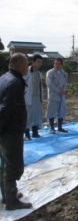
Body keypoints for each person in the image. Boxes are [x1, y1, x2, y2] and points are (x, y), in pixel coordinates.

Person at [0, 53, 32, 210]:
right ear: (19, 65)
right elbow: (5, 109)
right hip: (10, 131)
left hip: (6, 130)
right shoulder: (14, 83)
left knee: (6, 164)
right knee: (14, 166)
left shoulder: (4, 78)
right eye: (26, 64)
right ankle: (11, 200)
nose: (28, 67)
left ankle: (7, 195)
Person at [23, 54, 44, 141]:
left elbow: (40, 86)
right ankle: (27, 134)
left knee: (37, 115)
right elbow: (22, 82)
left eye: (40, 63)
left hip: (37, 97)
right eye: (38, 62)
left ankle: (35, 132)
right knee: (28, 115)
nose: (39, 64)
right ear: (33, 62)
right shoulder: (27, 71)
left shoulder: (38, 73)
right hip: (29, 97)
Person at [46, 58, 68, 134]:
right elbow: (49, 84)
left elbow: (65, 83)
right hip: (53, 96)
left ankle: (60, 127)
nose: (57, 65)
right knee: (51, 112)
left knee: (61, 112)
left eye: (59, 64)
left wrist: (64, 90)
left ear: (61, 65)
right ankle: (52, 128)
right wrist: (58, 90)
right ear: (54, 64)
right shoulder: (50, 73)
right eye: (56, 64)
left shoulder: (64, 73)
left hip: (61, 96)